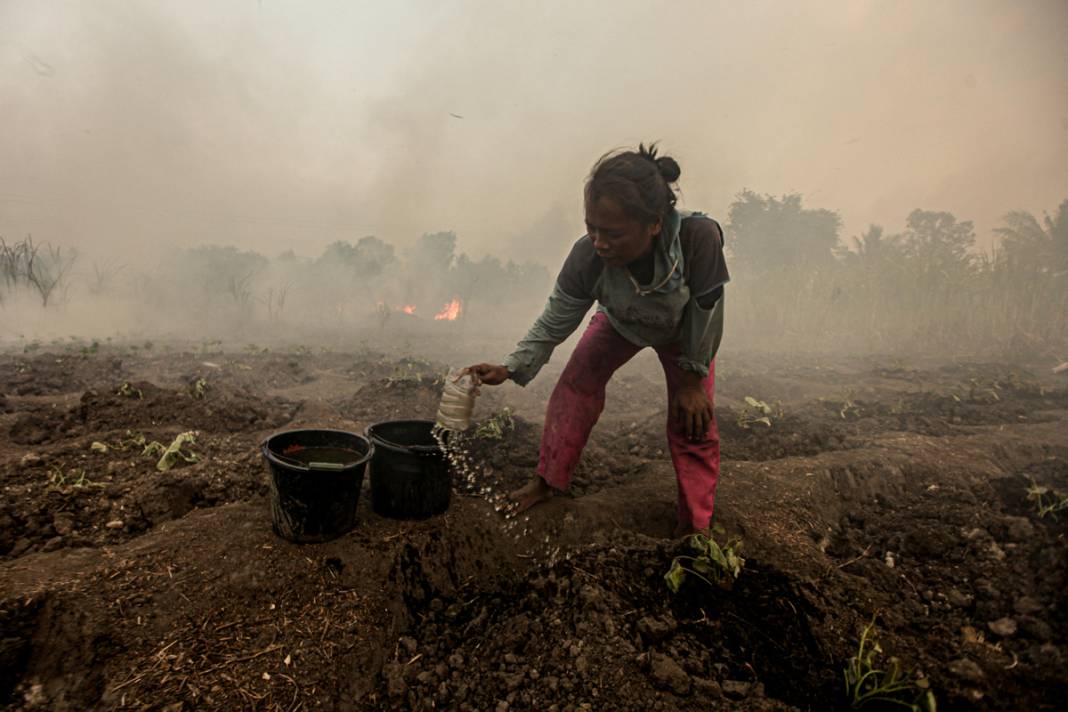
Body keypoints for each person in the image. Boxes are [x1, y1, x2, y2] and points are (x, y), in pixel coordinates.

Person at [468, 143, 729, 537]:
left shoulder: (698, 239)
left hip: (687, 334)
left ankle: (696, 529)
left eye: (613, 233)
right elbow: (555, 319)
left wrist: (692, 380)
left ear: (654, 223)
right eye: (592, 228)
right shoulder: (586, 257)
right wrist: (511, 367)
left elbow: (707, 311)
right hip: (621, 321)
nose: (599, 242)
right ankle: (547, 481)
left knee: (693, 420)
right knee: (576, 385)